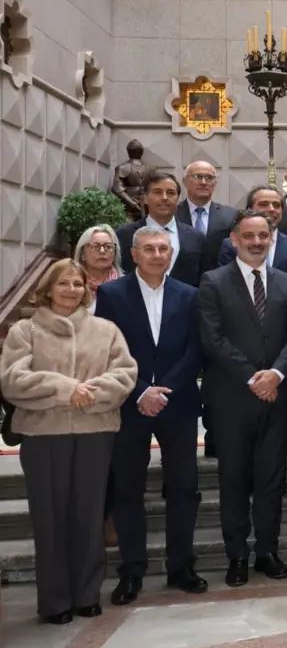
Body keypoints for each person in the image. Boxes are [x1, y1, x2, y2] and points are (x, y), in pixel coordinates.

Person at [0, 259, 136, 624]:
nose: (71, 290)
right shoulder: (25, 331)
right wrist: (66, 390)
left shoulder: (106, 330)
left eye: (78, 284)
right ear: (48, 288)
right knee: (50, 519)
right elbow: (12, 379)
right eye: (64, 283)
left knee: (89, 517)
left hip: (95, 432)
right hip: (44, 435)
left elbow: (125, 373)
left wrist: (92, 394)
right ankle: (56, 600)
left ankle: (87, 594)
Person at [96, 225, 206, 606]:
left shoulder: (189, 295)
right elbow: (108, 350)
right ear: (134, 253)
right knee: (127, 489)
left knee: (184, 488)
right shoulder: (111, 294)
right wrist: (142, 389)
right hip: (129, 403)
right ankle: (132, 570)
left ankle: (181, 566)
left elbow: (196, 349)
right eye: (150, 249)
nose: (158, 254)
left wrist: (163, 391)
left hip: (178, 404)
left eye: (164, 248)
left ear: (171, 253)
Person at [198, 209, 287, 587]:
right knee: (232, 480)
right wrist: (252, 377)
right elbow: (212, 340)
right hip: (231, 399)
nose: (257, 242)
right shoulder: (212, 282)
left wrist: (276, 374)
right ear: (234, 239)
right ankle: (237, 556)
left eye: (264, 235)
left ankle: (266, 550)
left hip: (275, 399)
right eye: (250, 236)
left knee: (271, 480)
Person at [116, 171, 206, 287]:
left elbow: (203, 280)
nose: (164, 198)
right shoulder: (124, 235)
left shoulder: (196, 238)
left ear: (178, 199)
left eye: (170, 193)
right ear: (145, 199)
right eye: (157, 192)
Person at [216, 185, 287, 277]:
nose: (271, 209)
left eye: (276, 205)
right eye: (264, 204)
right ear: (250, 209)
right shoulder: (231, 245)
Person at [177, 160, 238, 272]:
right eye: (198, 176)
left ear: (214, 184)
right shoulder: (173, 214)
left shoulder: (230, 215)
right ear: (184, 182)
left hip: (219, 282)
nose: (203, 182)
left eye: (209, 178)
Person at [75, 224, 122, 312]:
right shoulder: (73, 286)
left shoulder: (126, 287)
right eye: (95, 247)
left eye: (108, 246)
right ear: (82, 254)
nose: (102, 251)